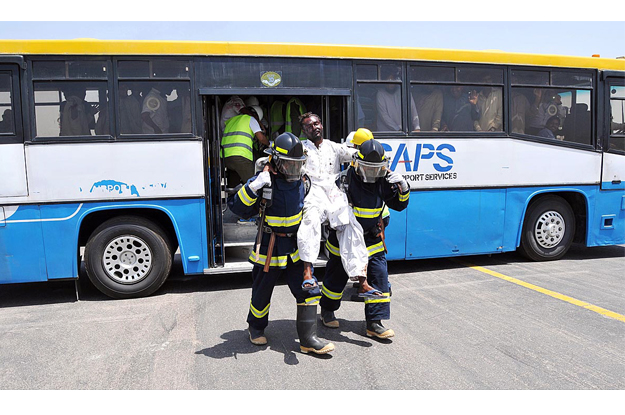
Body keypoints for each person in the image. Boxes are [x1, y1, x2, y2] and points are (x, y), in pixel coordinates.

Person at [227, 132, 335, 355]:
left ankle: (308, 339)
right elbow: (237, 208)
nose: (293, 170)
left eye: (297, 165)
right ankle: (256, 328)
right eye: (288, 165)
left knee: (308, 288)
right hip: (269, 245)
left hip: (295, 246)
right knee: (262, 292)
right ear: (275, 160)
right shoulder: (264, 181)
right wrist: (253, 188)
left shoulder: (303, 181)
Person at [320, 136, 410, 339]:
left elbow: (399, 205)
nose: (371, 173)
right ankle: (327, 310)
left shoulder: (384, 181)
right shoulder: (343, 180)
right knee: (336, 278)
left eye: (376, 169)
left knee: (379, 276)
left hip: (372, 238)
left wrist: (403, 188)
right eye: (367, 168)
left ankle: (375, 323)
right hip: (344, 240)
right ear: (356, 164)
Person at [296, 114, 380, 298]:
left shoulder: (333, 147)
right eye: (309, 126)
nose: (314, 127)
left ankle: (362, 282)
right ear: (304, 131)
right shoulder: (300, 148)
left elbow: (357, 154)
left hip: (334, 193)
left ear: (322, 125)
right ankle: (308, 273)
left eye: (317, 123)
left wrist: (376, 155)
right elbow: (277, 158)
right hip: (313, 193)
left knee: (351, 224)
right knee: (309, 222)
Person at [221, 106, 269, 186]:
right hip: (240, 157)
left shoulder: (231, 121)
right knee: (254, 184)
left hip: (226, 158)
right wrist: (268, 143)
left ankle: (233, 198)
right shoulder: (250, 119)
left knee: (234, 185)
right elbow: (261, 138)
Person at [376, 67, 420, 132]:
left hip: (403, 132)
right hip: (385, 133)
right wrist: (397, 129)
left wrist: (416, 126)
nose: (390, 84)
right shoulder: (380, 94)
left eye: (392, 80)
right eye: (388, 80)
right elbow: (384, 116)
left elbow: (412, 109)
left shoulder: (404, 91)